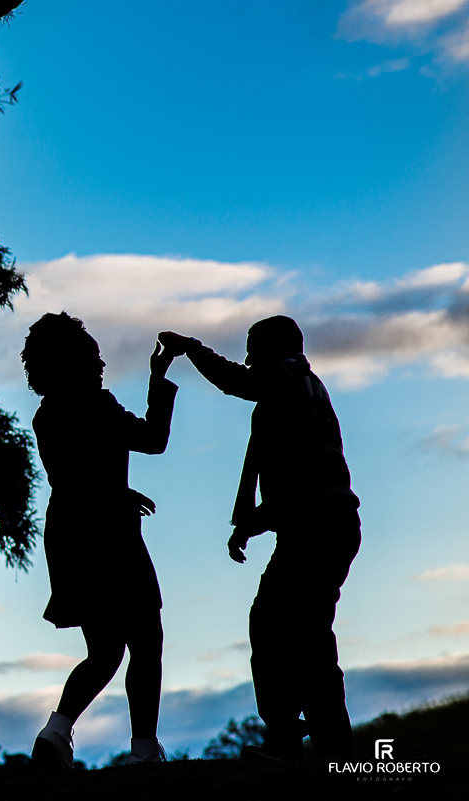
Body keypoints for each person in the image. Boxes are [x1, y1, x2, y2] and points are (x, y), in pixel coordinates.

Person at [159, 317, 360, 760]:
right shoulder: (300, 386)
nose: (249, 357)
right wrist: (249, 524)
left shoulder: (287, 376)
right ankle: (319, 739)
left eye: (255, 347)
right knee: (300, 631)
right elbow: (296, 473)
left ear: (283, 345)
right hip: (323, 523)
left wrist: (191, 347)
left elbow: (237, 381)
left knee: (280, 627)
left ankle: (298, 738)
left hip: (316, 527)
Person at [23, 313, 178, 770]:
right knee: (146, 639)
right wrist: (158, 378)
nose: (102, 363)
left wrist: (119, 489)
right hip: (109, 534)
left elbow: (74, 476)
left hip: (70, 534)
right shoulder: (95, 404)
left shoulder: (47, 413)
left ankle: (56, 730)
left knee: (106, 648)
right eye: (93, 356)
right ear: (76, 361)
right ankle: (145, 749)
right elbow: (153, 439)